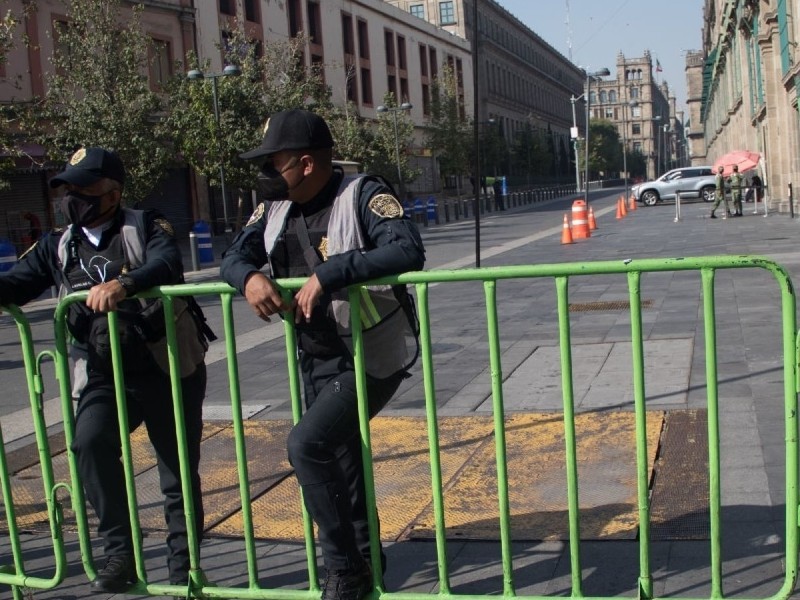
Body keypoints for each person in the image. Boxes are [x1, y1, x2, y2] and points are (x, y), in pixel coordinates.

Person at [220, 109, 425, 600]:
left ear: (307, 163)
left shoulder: (363, 194)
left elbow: (406, 250)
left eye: (275, 163)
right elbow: (233, 255)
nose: (267, 173)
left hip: (369, 354)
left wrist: (331, 273)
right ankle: (367, 558)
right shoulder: (273, 207)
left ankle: (345, 570)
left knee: (307, 445)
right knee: (342, 457)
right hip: (316, 355)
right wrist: (248, 277)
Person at [0, 147, 212, 594]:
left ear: (112, 193)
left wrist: (125, 283)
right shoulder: (60, 244)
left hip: (165, 365)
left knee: (176, 473)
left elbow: (167, 262)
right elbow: (17, 284)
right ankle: (121, 555)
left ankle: (184, 573)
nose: (71, 197)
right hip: (101, 371)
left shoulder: (146, 224)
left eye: (83, 188)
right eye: (67, 189)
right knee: (88, 445)